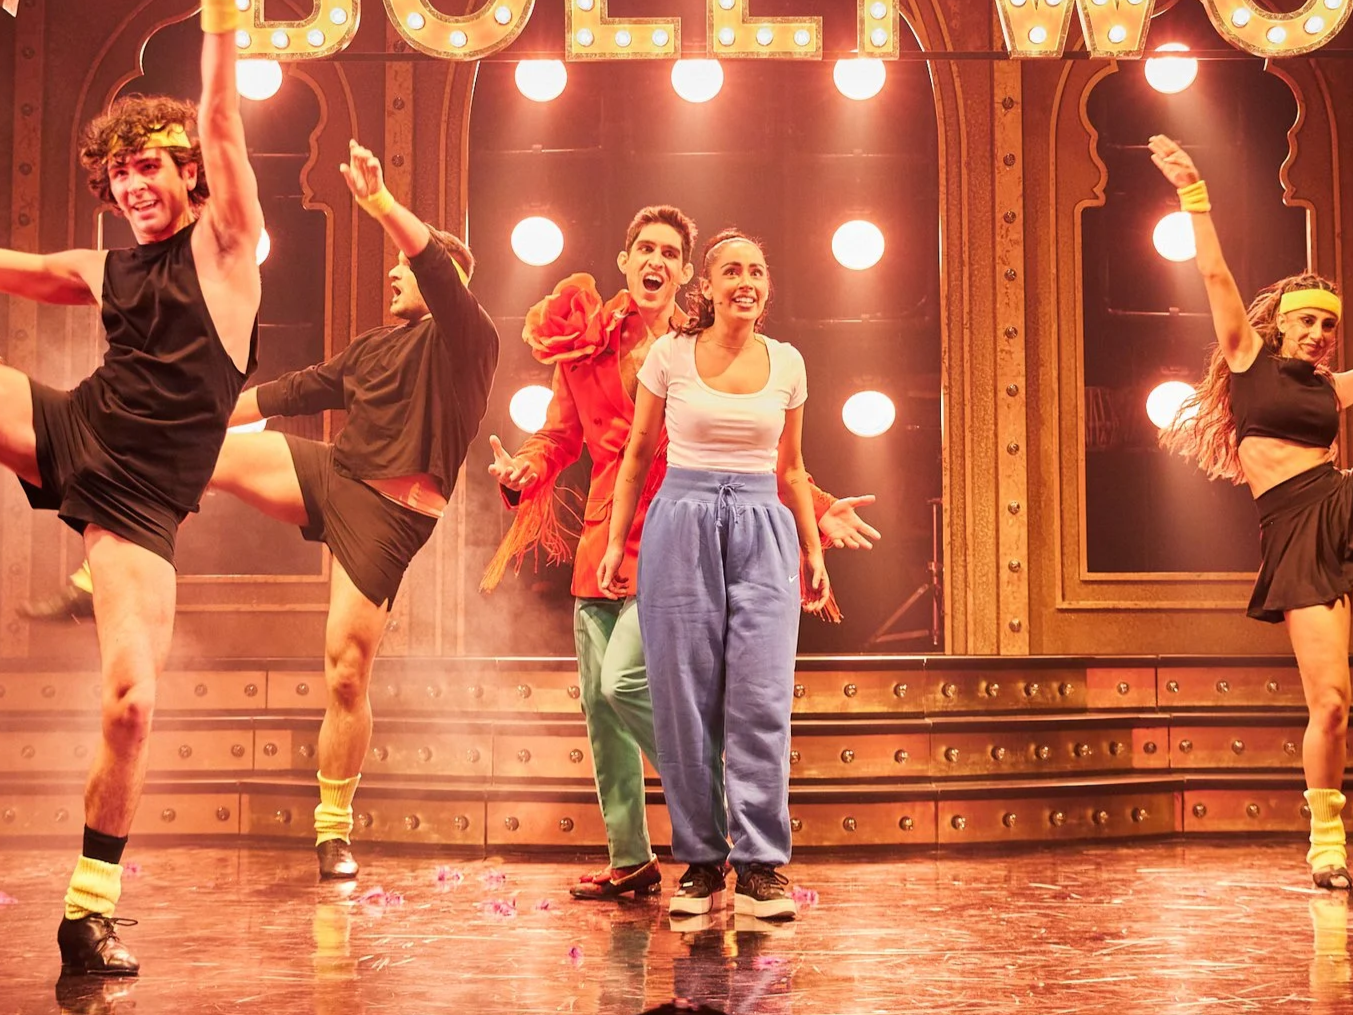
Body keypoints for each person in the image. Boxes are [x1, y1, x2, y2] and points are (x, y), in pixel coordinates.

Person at [483, 207, 879, 903]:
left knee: (625, 684)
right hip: (604, 544)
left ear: (684, 272)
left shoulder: (699, 344)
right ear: (624, 258)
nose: (654, 259)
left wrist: (815, 509)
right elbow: (561, 436)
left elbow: (758, 455)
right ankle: (630, 855)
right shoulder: (587, 346)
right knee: (601, 711)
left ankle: (717, 810)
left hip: (680, 547)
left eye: (669, 251)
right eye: (644, 247)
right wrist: (525, 470)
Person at [0, 0, 261, 975]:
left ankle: (86, 909)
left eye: (150, 162)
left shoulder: (227, 249)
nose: (134, 181)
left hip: (140, 504)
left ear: (187, 169)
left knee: (130, 705)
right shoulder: (103, 265)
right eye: (119, 171)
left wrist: (228, 22)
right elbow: (17, 267)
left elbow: (224, 114)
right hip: (76, 430)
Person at [210, 139, 499, 882]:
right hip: (335, 474)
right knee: (198, 452)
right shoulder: (374, 347)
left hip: (390, 516)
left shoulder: (468, 340)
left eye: (408, 267)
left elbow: (432, 261)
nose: (396, 274)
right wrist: (200, 420)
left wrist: (379, 204)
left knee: (344, 674)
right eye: (398, 267)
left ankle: (333, 828)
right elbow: (293, 392)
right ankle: (111, 561)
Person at [598, 229, 829, 922]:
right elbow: (638, 451)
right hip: (680, 520)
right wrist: (617, 543)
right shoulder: (669, 355)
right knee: (681, 697)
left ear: (767, 286)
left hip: (762, 526)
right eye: (731, 269)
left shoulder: (787, 362)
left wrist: (812, 552)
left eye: (756, 270)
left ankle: (760, 866)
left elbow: (790, 468)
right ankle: (700, 863)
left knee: (759, 698)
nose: (745, 280)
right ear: (708, 283)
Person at [1152, 134, 1350, 890]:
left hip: (1342, 499)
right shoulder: (1247, 360)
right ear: (1279, 325)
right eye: (1307, 322)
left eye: (1328, 326)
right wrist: (1193, 192)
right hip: (1297, 530)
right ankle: (1325, 838)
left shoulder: (1332, 388)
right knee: (1329, 702)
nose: (1318, 334)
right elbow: (1211, 270)